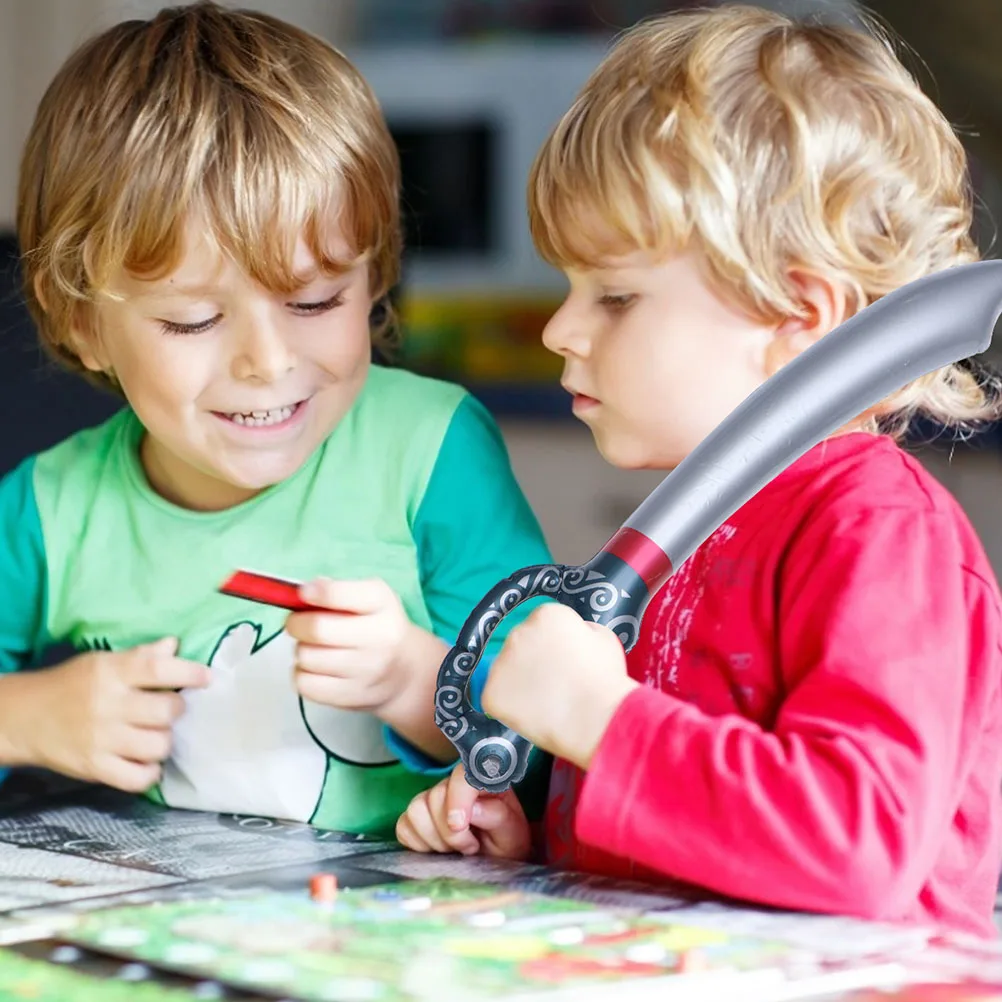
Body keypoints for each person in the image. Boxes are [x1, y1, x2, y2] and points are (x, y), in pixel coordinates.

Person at [396, 5, 1002, 937]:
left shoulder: (880, 531)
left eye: (615, 296)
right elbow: (688, 819)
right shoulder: (697, 528)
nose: (559, 330)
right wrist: (533, 835)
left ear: (798, 317)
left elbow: (856, 847)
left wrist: (597, 718)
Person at [0, 0, 550, 836]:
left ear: (374, 275)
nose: (267, 361)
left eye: (314, 300)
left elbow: (554, 731)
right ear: (82, 321)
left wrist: (415, 681)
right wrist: (27, 716)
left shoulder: (432, 451)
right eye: (193, 320)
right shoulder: (49, 508)